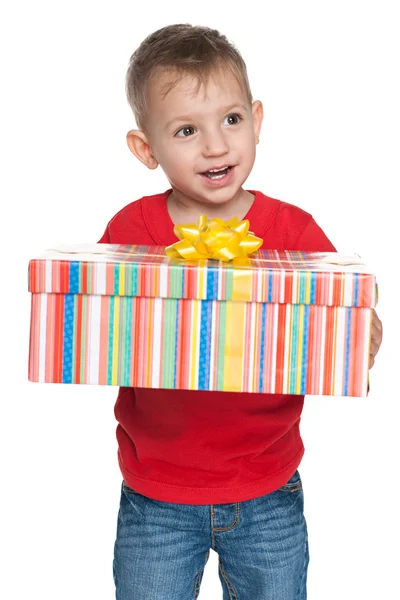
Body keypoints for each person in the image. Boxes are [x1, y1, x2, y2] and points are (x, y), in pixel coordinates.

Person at [98, 23, 383, 600]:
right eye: (186, 130)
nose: (216, 146)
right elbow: (104, 333)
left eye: (231, 120)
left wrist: (361, 332)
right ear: (145, 149)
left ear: (256, 118)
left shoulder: (293, 232)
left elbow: (346, 314)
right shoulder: (131, 234)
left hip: (267, 490)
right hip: (156, 495)